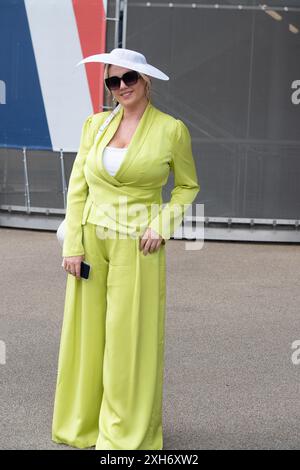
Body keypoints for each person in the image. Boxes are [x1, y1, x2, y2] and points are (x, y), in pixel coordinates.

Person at [51, 48, 200, 450]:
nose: (121, 88)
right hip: (91, 242)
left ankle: (123, 435)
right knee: (85, 336)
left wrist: (163, 225)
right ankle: (82, 426)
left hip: (139, 245)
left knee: (129, 337)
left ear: (144, 80)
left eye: (128, 79)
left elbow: (187, 187)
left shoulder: (171, 130)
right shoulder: (95, 125)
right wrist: (74, 245)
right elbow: (78, 186)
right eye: (112, 81)